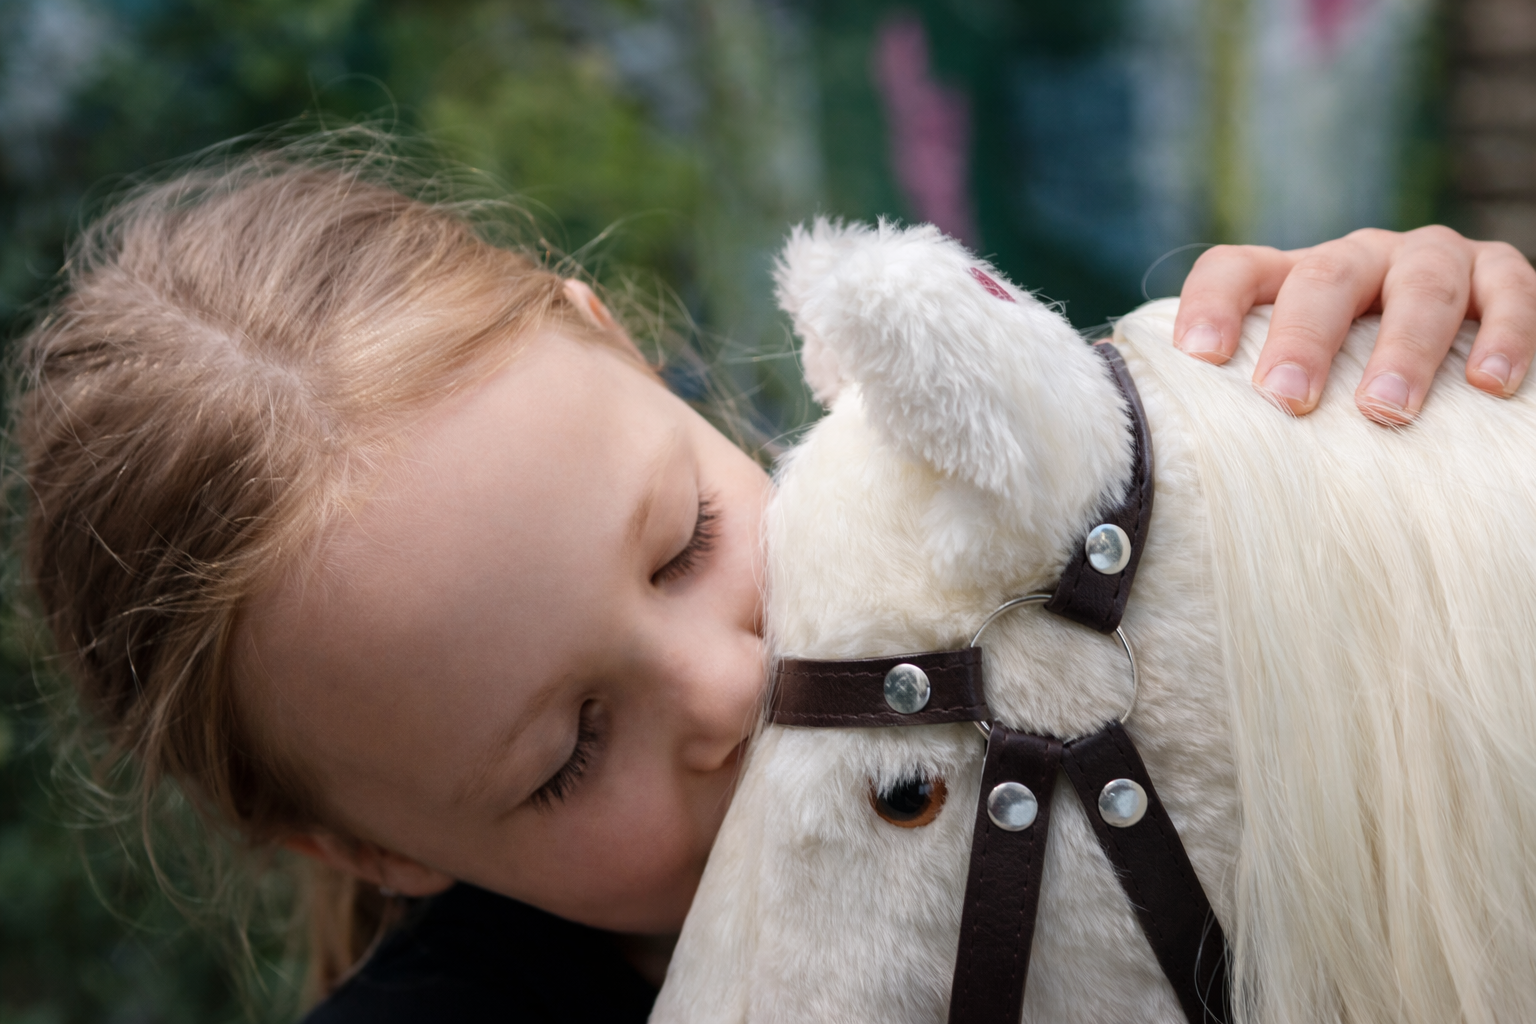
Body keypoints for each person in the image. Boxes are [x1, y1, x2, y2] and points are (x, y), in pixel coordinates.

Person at [14, 143, 1536, 1023]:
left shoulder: (1016, 579)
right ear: (359, 842)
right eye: (566, 757)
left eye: (683, 544)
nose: (726, 687)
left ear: (614, 343)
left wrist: (1405, 465)